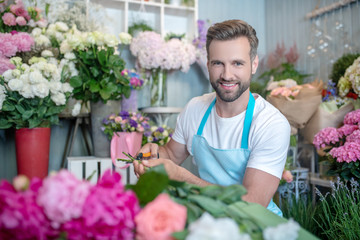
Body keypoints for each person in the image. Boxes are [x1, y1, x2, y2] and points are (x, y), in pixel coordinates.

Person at [134, 19, 290, 216]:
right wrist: (152, 156)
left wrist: (183, 178)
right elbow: (171, 155)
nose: (227, 75)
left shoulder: (271, 124)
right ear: (208, 65)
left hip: (255, 227)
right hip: (207, 221)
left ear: (254, 64)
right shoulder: (195, 109)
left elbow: (253, 205)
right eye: (218, 63)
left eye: (237, 63)